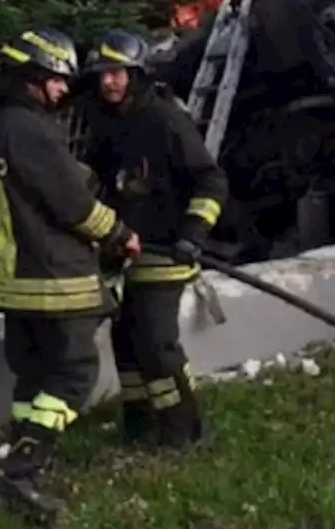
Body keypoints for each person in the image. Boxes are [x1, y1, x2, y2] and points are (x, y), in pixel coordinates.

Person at [0, 27, 141, 523]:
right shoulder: (30, 129)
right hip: (50, 272)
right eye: (56, 80)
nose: (62, 91)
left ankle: (21, 448)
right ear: (31, 77)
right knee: (75, 371)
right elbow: (71, 202)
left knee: (33, 369)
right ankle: (21, 471)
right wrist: (119, 233)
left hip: (11, 276)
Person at [74, 29, 228, 450]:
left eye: (118, 73)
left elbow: (211, 181)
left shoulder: (165, 119)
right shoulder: (105, 122)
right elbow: (102, 182)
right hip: (127, 248)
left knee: (156, 342)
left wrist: (194, 233)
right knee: (126, 341)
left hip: (169, 248)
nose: (109, 82)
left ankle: (186, 430)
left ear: (137, 73)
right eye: (103, 74)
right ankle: (140, 426)